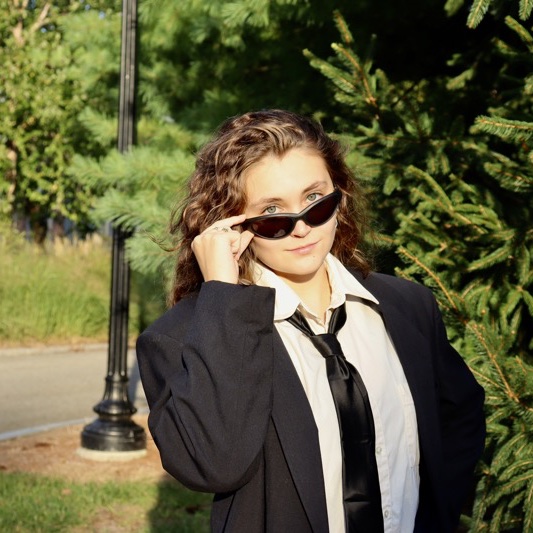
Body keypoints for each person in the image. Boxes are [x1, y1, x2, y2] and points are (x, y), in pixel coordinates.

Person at [136, 109, 485, 533]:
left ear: (340, 194)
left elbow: (459, 416)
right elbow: (214, 465)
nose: (301, 227)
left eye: (315, 201)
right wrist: (224, 300)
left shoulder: (406, 306)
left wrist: (441, 513)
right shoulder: (181, 338)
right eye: (272, 213)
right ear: (231, 224)